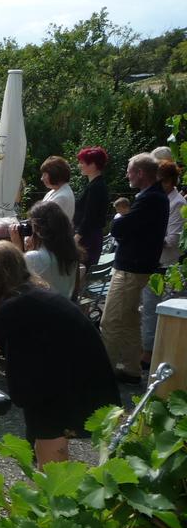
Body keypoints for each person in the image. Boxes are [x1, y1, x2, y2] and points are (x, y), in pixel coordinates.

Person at [0, 242, 119, 465]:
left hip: (62, 379)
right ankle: (53, 487)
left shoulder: (15, 303)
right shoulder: (30, 293)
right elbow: (0, 342)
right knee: (46, 436)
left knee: (48, 438)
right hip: (78, 369)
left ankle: (53, 494)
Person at [100, 153, 169, 383]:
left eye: (129, 171)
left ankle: (102, 372)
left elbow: (120, 228)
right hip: (138, 267)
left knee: (110, 321)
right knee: (129, 320)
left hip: (131, 268)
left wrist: (119, 220)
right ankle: (131, 368)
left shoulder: (151, 199)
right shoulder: (155, 197)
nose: (127, 175)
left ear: (140, 173)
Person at [140, 160, 187, 370]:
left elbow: (172, 240)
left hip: (168, 266)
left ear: (168, 181)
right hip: (151, 263)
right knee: (148, 310)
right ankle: (148, 353)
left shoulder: (177, 203)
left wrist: (143, 235)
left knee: (165, 313)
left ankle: (162, 356)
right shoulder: (154, 198)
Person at [9, 201, 80, 299]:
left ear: (38, 230)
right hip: (63, 309)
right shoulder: (70, 254)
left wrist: (17, 246)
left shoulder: (34, 257)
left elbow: (15, 284)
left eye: (31, 224)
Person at [73, 146, 110, 266]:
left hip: (88, 239)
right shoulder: (95, 185)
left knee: (81, 273)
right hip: (90, 236)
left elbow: (90, 216)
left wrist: (76, 237)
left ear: (93, 164)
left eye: (82, 162)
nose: (79, 165)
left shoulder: (96, 187)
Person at [40, 155, 75, 221]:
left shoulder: (62, 196)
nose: (42, 178)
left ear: (54, 173)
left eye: (45, 174)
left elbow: (46, 222)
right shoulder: (53, 192)